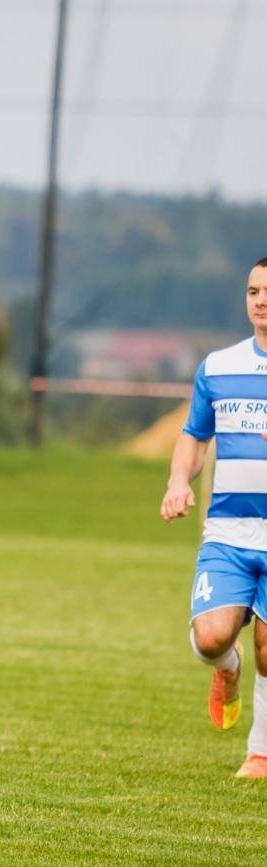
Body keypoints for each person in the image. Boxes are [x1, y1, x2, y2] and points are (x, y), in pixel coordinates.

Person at [160, 256, 267, 779]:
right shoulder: (219, 367)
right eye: (253, 291)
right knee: (210, 639)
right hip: (227, 532)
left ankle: (260, 752)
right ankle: (226, 668)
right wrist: (179, 480)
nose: (261, 300)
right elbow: (194, 435)